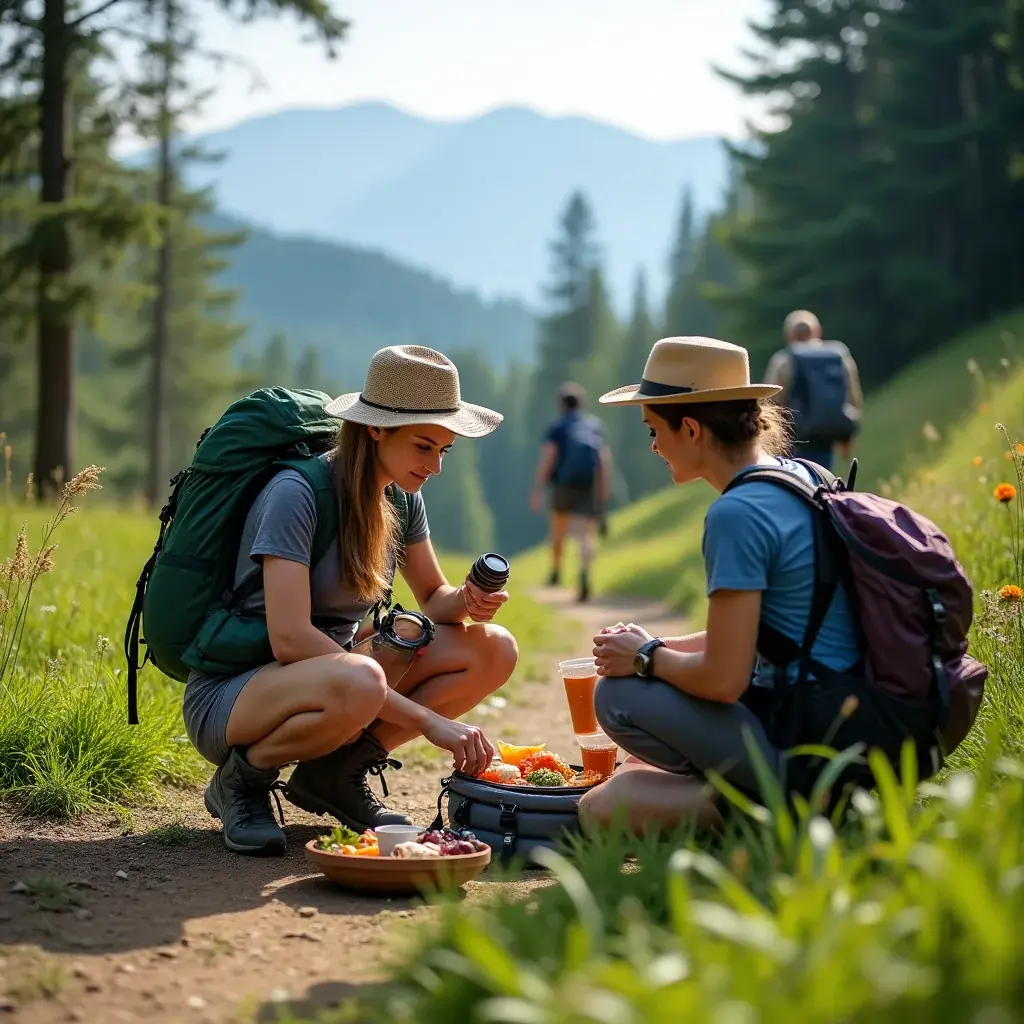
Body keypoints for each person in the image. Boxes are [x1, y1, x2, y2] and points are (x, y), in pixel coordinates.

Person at [577, 336, 934, 836]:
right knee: (627, 717)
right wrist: (647, 646)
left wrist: (645, 657)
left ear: (693, 429)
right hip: (850, 724)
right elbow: (770, 637)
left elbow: (725, 678)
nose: (653, 446)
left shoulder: (736, 514)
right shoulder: (804, 476)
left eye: (654, 430)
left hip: (804, 738)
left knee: (615, 704)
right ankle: (776, 795)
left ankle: (777, 810)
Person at [184, 346, 519, 856]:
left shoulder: (401, 499)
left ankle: (335, 775)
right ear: (376, 429)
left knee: (495, 647)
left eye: (443, 451)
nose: (435, 467)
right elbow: (290, 638)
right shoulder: (296, 493)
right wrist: (427, 720)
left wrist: (467, 601)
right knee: (363, 678)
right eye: (424, 447)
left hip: (344, 682)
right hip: (235, 693)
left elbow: (432, 597)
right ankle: (240, 781)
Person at [530, 382, 612, 603]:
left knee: (558, 529)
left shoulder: (557, 428)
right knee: (586, 535)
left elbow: (548, 458)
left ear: (561, 405)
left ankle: (556, 571)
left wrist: (538, 489)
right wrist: (603, 490)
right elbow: (603, 460)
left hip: (563, 485)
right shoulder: (594, 426)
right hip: (587, 485)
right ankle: (584, 575)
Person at [763, 310, 863, 471]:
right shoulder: (839, 357)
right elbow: (854, 399)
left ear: (789, 336)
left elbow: (771, 403)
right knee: (822, 482)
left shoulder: (784, 360)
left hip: (794, 439)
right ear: (818, 331)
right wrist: (847, 438)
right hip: (826, 436)